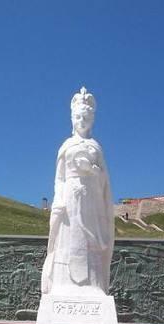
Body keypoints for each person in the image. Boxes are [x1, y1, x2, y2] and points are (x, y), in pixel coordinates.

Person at [41, 87, 114, 296]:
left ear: (92, 120)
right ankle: (63, 283)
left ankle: (93, 284)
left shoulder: (95, 147)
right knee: (68, 237)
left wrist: (92, 170)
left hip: (92, 200)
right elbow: (59, 178)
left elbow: (105, 179)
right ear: (72, 118)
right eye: (79, 117)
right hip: (70, 198)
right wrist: (59, 199)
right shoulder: (66, 146)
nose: (82, 121)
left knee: (90, 239)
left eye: (86, 118)